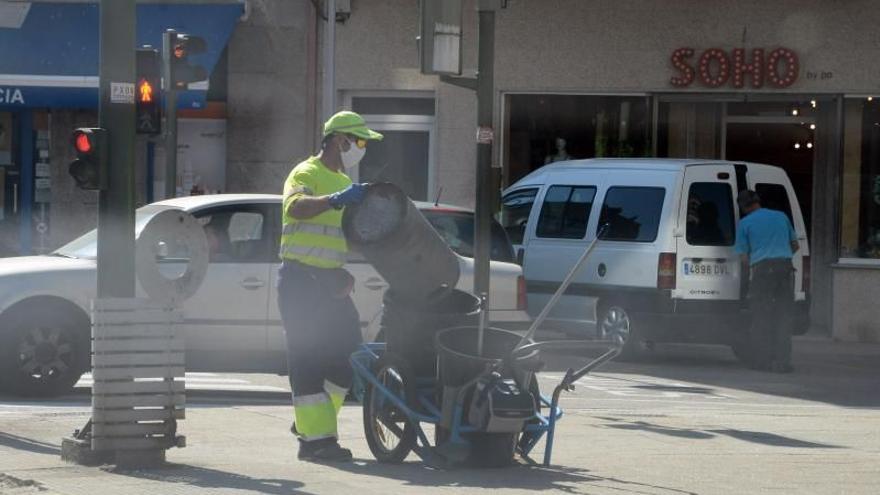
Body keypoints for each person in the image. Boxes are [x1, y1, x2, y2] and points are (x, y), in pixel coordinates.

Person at [277, 110, 383, 462]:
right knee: (307, 359)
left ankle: (308, 425)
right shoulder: (307, 172)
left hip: (330, 281)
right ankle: (315, 442)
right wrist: (335, 200)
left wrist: (344, 271)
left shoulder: (343, 181)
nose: (362, 148)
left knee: (347, 357)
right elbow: (295, 208)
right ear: (341, 140)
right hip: (300, 281)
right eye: (361, 141)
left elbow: (338, 238)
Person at [734, 190, 799, 373]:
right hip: (785, 270)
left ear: (743, 207)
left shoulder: (745, 223)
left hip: (763, 272)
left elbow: (744, 257)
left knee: (761, 318)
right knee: (783, 317)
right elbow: (795, 245)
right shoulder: (781, 216)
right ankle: (783, 363)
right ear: (758, 201)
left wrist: (754, 268)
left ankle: (762, 362)